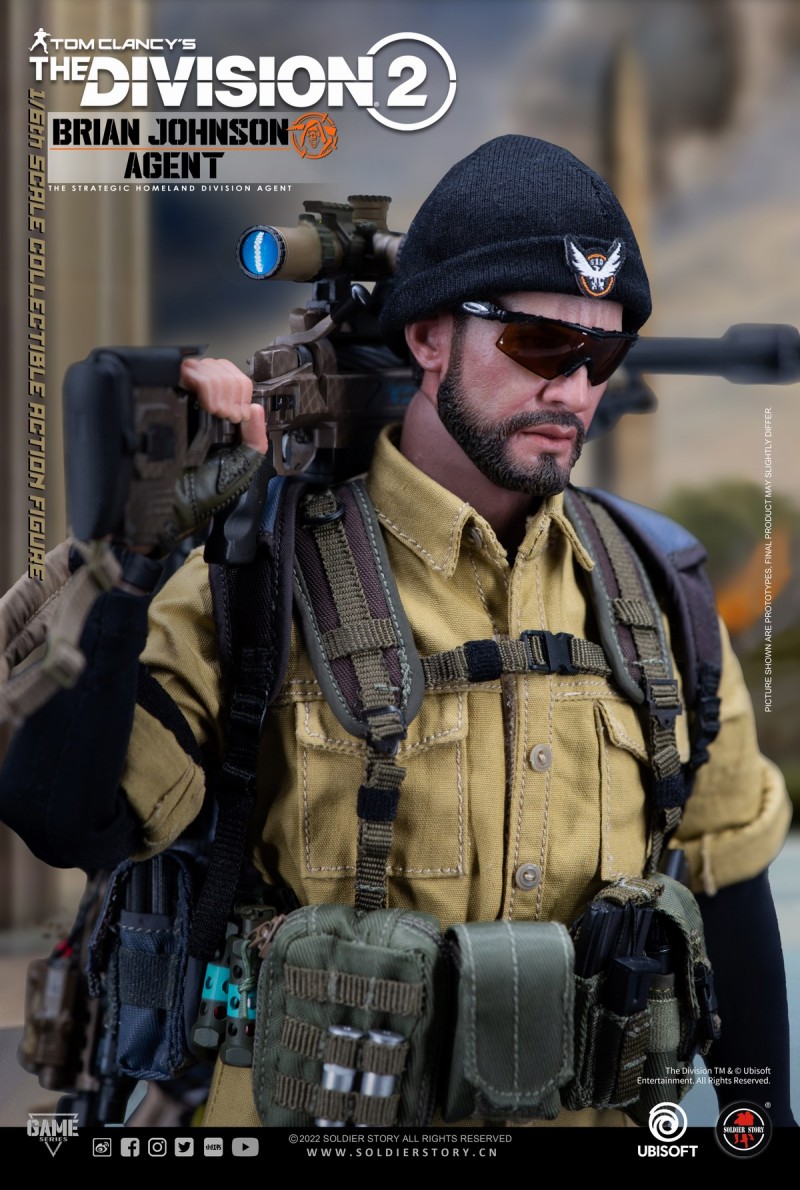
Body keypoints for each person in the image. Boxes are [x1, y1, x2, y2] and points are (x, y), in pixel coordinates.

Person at [0, 135, 794, 1129]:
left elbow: (727, 887)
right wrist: (126, 559)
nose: (572, 390)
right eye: (537, 344)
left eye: (602, 355)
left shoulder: (656, 595)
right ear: (427, 338)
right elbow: (64, 817)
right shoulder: (258, 575)